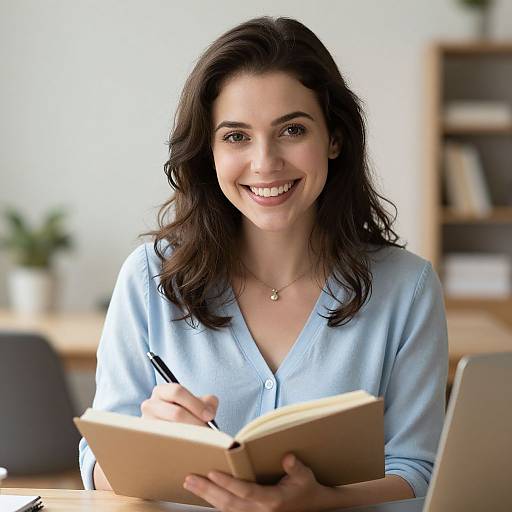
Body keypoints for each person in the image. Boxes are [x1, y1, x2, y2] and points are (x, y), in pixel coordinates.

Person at [79, 16, 448, 511]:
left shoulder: (408, 288)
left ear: (334, 138)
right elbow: (95, 467)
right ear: (208, 150)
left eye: (292, 130)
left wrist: (322, 501)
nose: (265, 161)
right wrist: (148, 444)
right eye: (236, 136)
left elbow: (418, 472)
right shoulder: (149, 278)